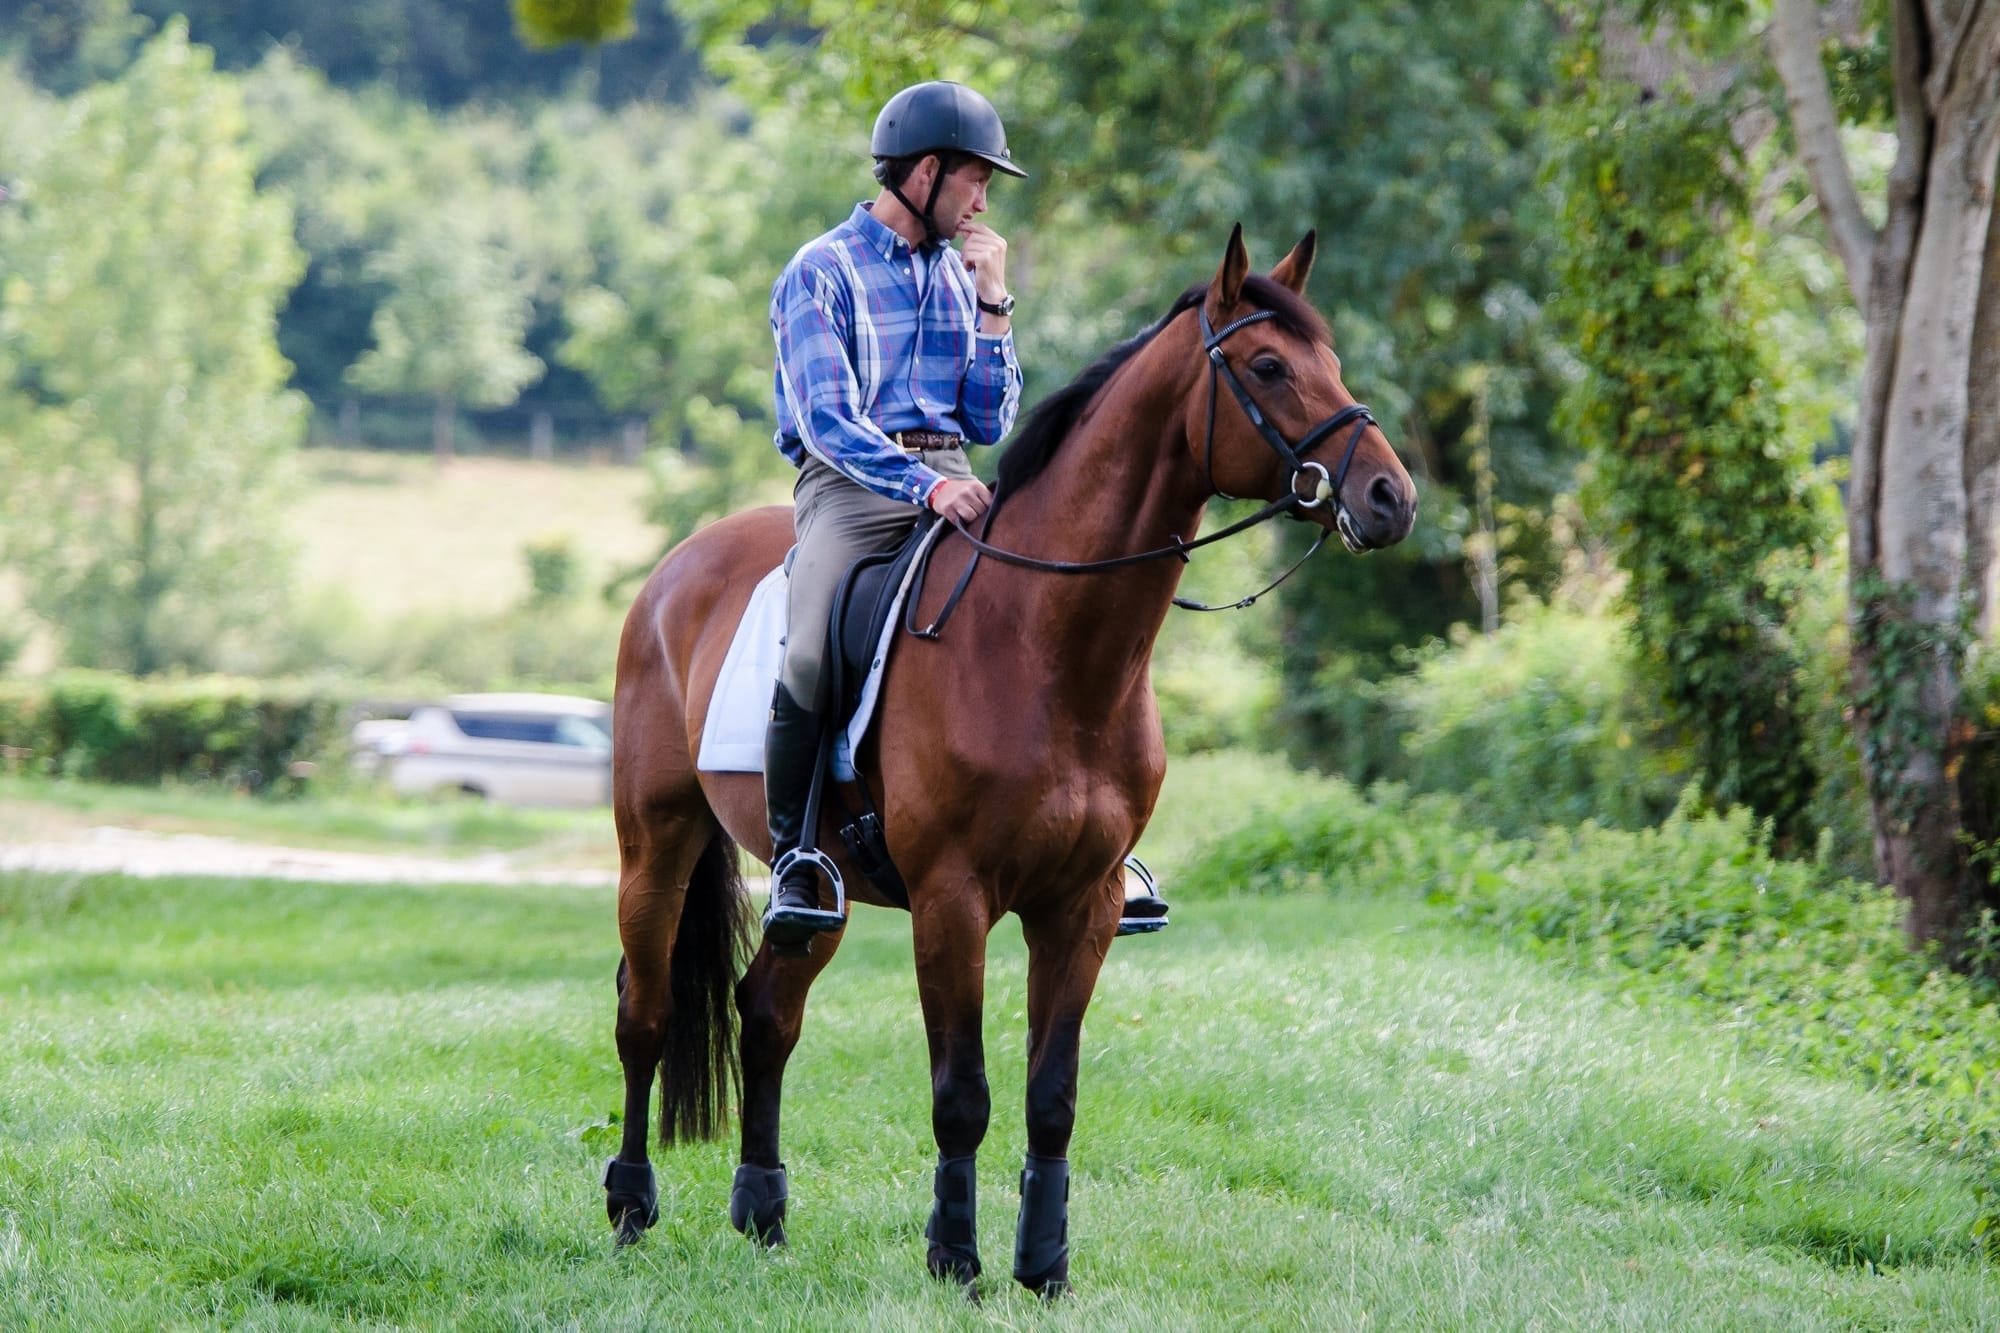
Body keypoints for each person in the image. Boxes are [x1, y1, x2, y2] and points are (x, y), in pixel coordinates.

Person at [760, 80, 1027, 953]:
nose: (984, 201)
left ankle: (1088, 842)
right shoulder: (819, 271)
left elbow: (990, 422)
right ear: (924, 172)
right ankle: (796, 853)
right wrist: (925, 487)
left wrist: (994, 306)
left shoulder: (962, 277)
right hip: (850, 487)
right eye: (976, 180)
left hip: (956, 474)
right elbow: (830, 422)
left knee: (1053, 603)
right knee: (808, 641)